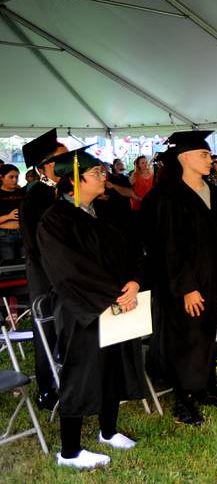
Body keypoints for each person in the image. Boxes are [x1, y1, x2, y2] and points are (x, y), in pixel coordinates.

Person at [38, 147, 146, 469]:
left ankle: (108, 431)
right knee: (81, 374)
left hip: (115, 305)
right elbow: (69, 270)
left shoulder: (103, 213)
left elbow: (133, 254)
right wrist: (113, 295)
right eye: (97, 173)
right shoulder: (55, 219)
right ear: (76, 178)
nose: (104, 177)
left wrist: (135, 283)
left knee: (112, 368)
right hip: (80, 311)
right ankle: (69, 452)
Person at [148, 131, 217, 426]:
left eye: (210, 155)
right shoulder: (168, 196)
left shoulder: (214, 191)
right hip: (184, 285)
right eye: (204, 155)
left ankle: (207, 388)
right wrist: (186, 288)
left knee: (211, 334)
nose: (210, 160)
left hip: (214, 280)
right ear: (184, 158)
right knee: (186, 339)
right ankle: (183, 398)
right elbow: (167, 247)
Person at [19, 128, 67, 411]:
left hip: (64, 272)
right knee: (48, 329)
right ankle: (48, 387)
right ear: (46, 166)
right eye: (63, 159)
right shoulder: (36, 195)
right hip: (46, 273)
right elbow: (38, 243)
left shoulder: (61, 191)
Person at [0, 164, 25, 261]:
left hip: (23, 234)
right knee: (9, 267)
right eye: (11, 177)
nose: (15, 180)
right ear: (1, 177)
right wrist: (8, 216)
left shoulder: (22, 192)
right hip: (5, 235)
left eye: (17, 177)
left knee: (27, 265)